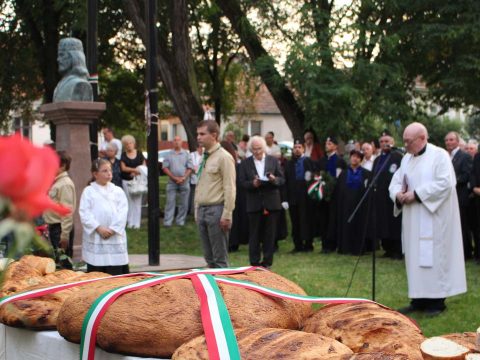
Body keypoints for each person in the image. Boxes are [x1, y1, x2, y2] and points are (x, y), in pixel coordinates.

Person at [389, 122, 467, 316]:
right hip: (412, 218)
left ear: (422, 138)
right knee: (415, 257)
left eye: (408, 141)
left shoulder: (439, 155)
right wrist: (398, 195)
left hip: (433, 218)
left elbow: (446, 183)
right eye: (404, 141)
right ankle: (418, 300)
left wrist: (417, 194)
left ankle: (437, 302)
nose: (405, 145)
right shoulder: (406, 159)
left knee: (433, 258)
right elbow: (396, 182)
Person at [195, 120, 236, 268]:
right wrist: (196, 209)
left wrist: (227, 214)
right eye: (197, 134)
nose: (198, 137)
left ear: (214, 135)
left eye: (202, 134)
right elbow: (200, 184)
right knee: (209, 258)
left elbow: (230, 187)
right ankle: (212, 290)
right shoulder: (204, 157)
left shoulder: (224, 157)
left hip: (216, 210)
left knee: (220, 260)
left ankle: (224, 289)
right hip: (203, 210)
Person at [239, 136, 285, 268]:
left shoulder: (273, 161)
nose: (257, 151)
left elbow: (282, 179)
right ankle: (254, 263)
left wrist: (273, 179)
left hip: (272, 202)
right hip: (254, 203)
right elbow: (241, 183)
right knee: (254, 234)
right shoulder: (245, 163)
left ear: (264, 148)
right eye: (254, 149)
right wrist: (253, 184)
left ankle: (267, 263)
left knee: (270, 235)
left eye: (259, 148)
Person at [79, 158, 129, 275]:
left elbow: (123, 212)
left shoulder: (118, 191)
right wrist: (98, 228)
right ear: (95, 174)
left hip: (114, 237)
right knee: (97, 274)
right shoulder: (89, 191)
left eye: (110, 170)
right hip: (97, 237)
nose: (109, 173)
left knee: (116, 274)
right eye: (104, 171)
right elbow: (85, 213)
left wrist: (112, 229)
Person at [329, 150, 372, 255]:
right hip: (345, 205)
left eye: (358, 157)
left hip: (359, 205)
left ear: (361, 160)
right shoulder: (343, 174)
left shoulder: (366, 173)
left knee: (359, 226)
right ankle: (345, 247)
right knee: (345, 224)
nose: (355, 159)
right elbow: (338, 191)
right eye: (353, 156)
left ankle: (358, 248)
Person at [372, 130, 403, 259]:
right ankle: (387, 248)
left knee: (394, 222)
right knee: (383, 222)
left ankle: (397, 249)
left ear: (393, 142)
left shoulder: (398, 157)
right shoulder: (378, 159)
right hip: (380, 196)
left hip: (393, 196)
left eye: (387, 141)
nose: (384, 143)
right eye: (382, 142)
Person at [284, 139, 318, 252]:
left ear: (303, 149)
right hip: (293, 196)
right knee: (295, 221)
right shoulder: (289, 163)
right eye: (295, 147)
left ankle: (308, 244)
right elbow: (286, 181)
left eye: (299, 147)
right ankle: (297, 245)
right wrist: (285, 198)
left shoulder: (308, 161)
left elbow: (314, 178)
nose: (297, 149)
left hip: (306, 197)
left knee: (307, 219)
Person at [445, 131, 473, 259]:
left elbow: (466, 175)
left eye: (451, 140)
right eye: (447, 140)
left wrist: (450, 182)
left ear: (457, 141)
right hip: (447, 197)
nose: (449, 142)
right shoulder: (445, 157)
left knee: (462, 225)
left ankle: (466, 252)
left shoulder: (464, 156)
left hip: (460, 196)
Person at [43, 151, 76, 257]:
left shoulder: (64, 184)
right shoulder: (57, 182)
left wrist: (64, 235)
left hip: (60, 228)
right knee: (57, 261)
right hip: (55, 227)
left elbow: (67, 211)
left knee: (63, 264)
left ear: (62, 165)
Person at [318, 136, 347, 253]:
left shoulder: (340, 161)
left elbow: (339, 178)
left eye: (329, 143)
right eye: (326, 143)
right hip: (323, 195)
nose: (327, 145)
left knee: (333, 220)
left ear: (335, 146)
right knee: (323, 219)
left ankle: (333, 244)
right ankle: (325, 244)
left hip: (335, 195)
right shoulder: (322, 160)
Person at [162, 136, 193, 227]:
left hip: (184, 181)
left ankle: (180, 221)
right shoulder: (168, 154)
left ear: (182, 142)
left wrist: (183, 177)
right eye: (174, 140)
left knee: (184, 203)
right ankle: (168, 222)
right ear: (172, 142)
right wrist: (174, 177)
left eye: (178, 140)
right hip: (172, 182)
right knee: (170, 202)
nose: (176, 142)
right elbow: (165, 167)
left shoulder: (186, 154)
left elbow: (190, 167)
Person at [53, 38, 93, 102]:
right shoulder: (59, 85)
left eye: (62, 55)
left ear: (74, 56)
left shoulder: (80, 84)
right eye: (58, 55)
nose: (58, 59)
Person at [120, 134, 146, 229]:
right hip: (126, 181)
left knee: (137, 202)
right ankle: (130, 222)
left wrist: (135, 172)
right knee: (129, 201)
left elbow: (143, 167)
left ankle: (137, 223)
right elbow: (123, 168)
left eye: (130, 143)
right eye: (126, 144)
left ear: (134, 144)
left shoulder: (139, 154)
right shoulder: (123, 155)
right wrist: (134, 170)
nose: (129, 145)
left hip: (138, 182)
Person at [189, 145, 203, 215]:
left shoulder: (205, 155)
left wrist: (197, 169)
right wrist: (197, 169)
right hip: (194, 180)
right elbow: (191, 167)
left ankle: (199, 212)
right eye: (200, 147)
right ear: (197, 148)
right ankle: (192, 212)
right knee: (193, 196)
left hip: (203, 180)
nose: (202, 149)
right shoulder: (192, 155)